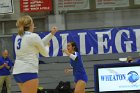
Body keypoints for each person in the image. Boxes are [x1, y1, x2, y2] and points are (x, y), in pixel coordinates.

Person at [12, 15, 58, 93]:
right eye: (33, 23)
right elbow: (45, 53)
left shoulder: (18, 36)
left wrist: (51, 34)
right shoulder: (33, 36)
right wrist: (47, 47)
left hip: (17, 72)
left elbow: (39, 43)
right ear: (30, 25)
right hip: (28, 71)